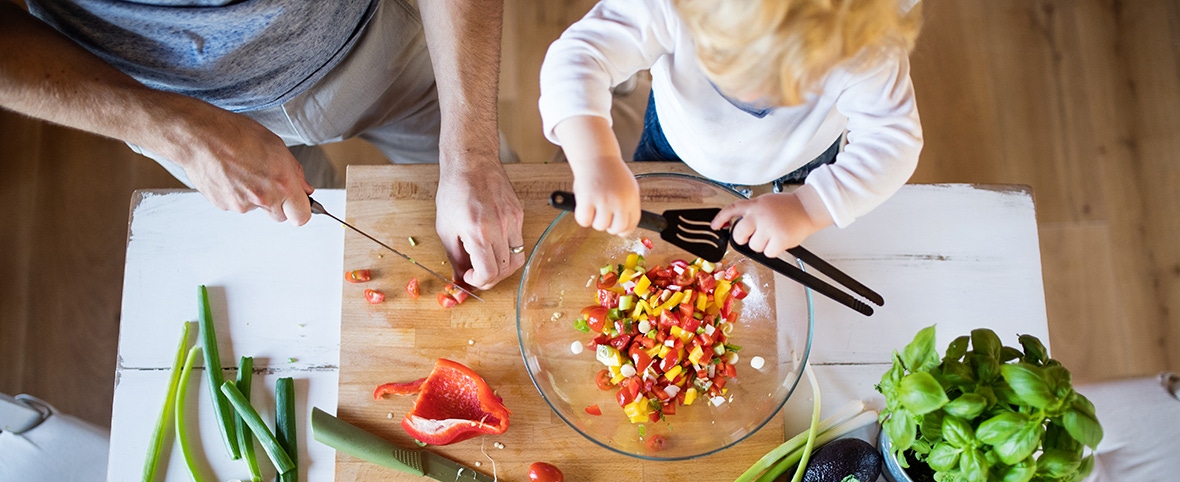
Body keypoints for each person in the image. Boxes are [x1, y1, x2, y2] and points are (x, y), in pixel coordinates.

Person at [0, 0, 524, 290]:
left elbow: (473, 162)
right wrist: (178, 132)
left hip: (372, 45)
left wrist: (472, 155)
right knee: (315, 272)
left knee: (491, 217)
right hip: (174, 109)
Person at [539, 0, 923, 259]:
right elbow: (580, 55)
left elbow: (891, 141)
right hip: (676, 144)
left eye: (793, 82)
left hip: (803, 163)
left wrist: (809, 208)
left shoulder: (864, 40)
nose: (756, 95)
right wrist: (597, 160)